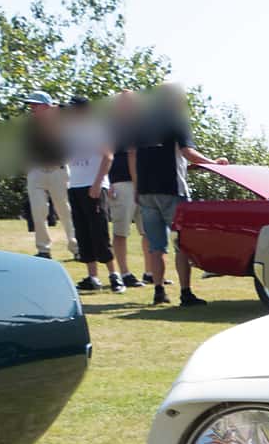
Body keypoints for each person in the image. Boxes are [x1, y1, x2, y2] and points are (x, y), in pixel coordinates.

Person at [133, 85, 216, 306]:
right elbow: (187, 153)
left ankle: (158, 291)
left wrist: (136, 187)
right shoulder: (176, 122)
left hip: (146, 192)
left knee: (156, 246)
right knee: (183, 244)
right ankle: (185, 293)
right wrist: (213, 163)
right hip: (172, 191)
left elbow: (135, 157)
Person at [64, 97, 121, 294]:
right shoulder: (69, 132)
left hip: (93, 185)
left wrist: (98, 183)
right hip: (75, 185)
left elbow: (108, 156)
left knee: (99, 231)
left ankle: (115, 276)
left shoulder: (96, 129)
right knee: (83, 232)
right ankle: (92, 277)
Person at [23, 92, 77, 259]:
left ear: (47, 106)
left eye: (36, 105)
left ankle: (77, 247)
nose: (32, 108)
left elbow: (69, 108)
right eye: (31, 105)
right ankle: (43, 249)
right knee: (38, 211)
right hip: (37, 171)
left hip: (58, 170)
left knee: (65, 211)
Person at [106, 90, 144, 288]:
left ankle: (150, 272)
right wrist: (107, 181)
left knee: (147, 232)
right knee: (121, 232)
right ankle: (125, 273)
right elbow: (104, 155)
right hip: (121, 183)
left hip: (142, 184)